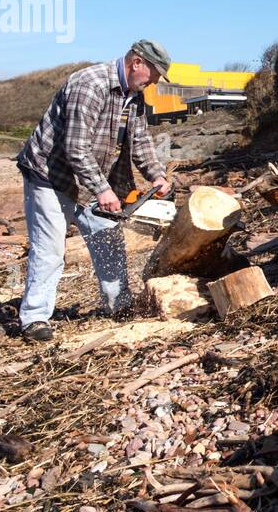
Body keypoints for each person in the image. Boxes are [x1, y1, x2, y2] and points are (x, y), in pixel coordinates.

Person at [14, 40, 174, 341]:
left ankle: (118, 306)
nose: (153, 81)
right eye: (153, 74)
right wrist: (103, 190)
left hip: (88, 180)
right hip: (51, 176)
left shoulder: (134, 97)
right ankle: (34, 318)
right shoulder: (90, 85)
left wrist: (156, 176)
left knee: (108, 236)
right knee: (50, 250)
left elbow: (140, 142)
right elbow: (75, 147)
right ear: (137, 62)